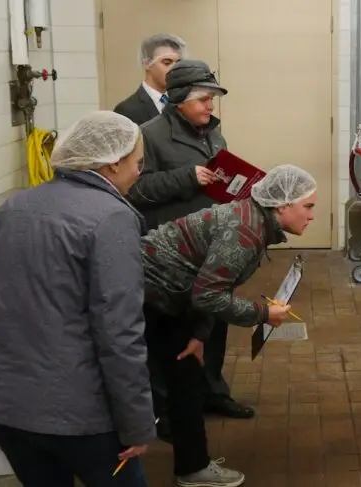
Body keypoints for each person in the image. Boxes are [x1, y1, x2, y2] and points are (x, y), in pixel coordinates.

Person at [0, 111, 155, 487]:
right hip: (75, 413)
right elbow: (119, 334)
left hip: (1, 404)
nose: (139, 173)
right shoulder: (110, 217)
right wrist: (136, 425)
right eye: (138, 163)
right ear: (113, 162)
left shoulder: (15, 207)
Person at [141, 165, 317, 487]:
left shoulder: (253, 221)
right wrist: (264, 314)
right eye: (308, 206)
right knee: (177, 381)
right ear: (281, 205)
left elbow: (212, 284)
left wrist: (198, 334)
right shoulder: (245, 232)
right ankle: (189, 467)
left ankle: (192, 464)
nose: (312, 216)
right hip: (150, 296)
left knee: (185, 378)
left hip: (168, 296)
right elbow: (208, 295)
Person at [127, 59, 251, 434]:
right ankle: (166, 410)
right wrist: (186, 176)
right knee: (170, 330)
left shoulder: (213, 133)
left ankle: (212, 392)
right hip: (172, 253)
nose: (210, 107)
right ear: (179, 99)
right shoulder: (148, 135)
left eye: (212, 99)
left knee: (212, 322)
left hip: (213, 246)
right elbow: (135, 189)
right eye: (202, 99)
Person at [114, 34, 186, 126]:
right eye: (167, 63)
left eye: (178, 63)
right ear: (147, 63)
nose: (174, 69)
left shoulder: (182, 103)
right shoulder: (127, 110)